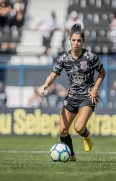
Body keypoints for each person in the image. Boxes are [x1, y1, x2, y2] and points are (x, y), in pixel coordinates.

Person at [40, 24, 106, 161]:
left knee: (78, 127)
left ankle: (87, 135)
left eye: (79, 40)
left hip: (88, 96)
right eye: (74, 40)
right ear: (69, 40)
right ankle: (71, 156)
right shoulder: (64, 58)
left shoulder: (90, 57)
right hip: (71, 97)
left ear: (83, 41)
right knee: (63, 130)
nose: (76, 43)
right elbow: (53, 75)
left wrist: (95, 89)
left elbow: (102, 72)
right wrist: (45, 85)